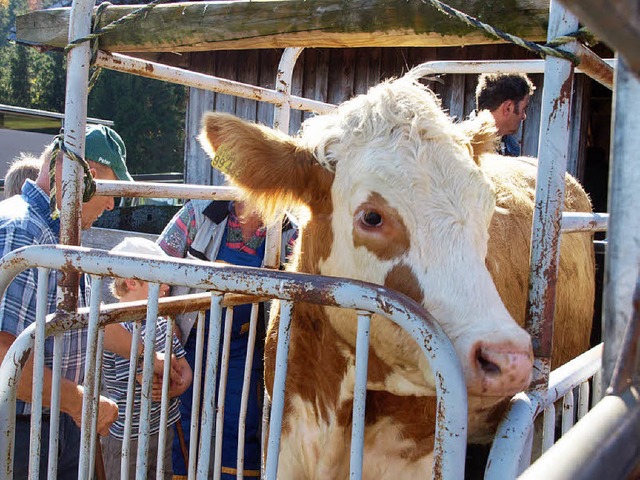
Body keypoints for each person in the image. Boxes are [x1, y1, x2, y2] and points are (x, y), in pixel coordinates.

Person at [0, 124, 146, 479]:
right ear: (87, 176)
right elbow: (4, 352)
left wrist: (150, 358)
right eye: (108, 189)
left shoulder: (57, 235)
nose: (112, 203)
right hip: (19, 428)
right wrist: (80, 402)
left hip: (47, 419)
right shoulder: (26, 231)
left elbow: (72, 323)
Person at [157, 199, 297, 479]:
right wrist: (166, 321)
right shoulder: (200, 213)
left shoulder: (289, 233)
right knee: (186, 419)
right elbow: (156, 263)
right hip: (191, 337)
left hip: (246, 345)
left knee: (242, 423)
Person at [101, 237, 192, 480]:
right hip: (126, 436)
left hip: (162, 427)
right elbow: (148, 379)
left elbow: (181, 365)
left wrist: (180, 381)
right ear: (131, 282)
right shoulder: (117, 326)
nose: (166, 287)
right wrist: (169, 370)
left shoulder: (162, 322)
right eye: (158, 279)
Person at [475, 72, 536, 156]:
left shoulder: (511, 147)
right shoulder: (461, 146)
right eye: (523, 109)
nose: (524, 116)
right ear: (508, 108)